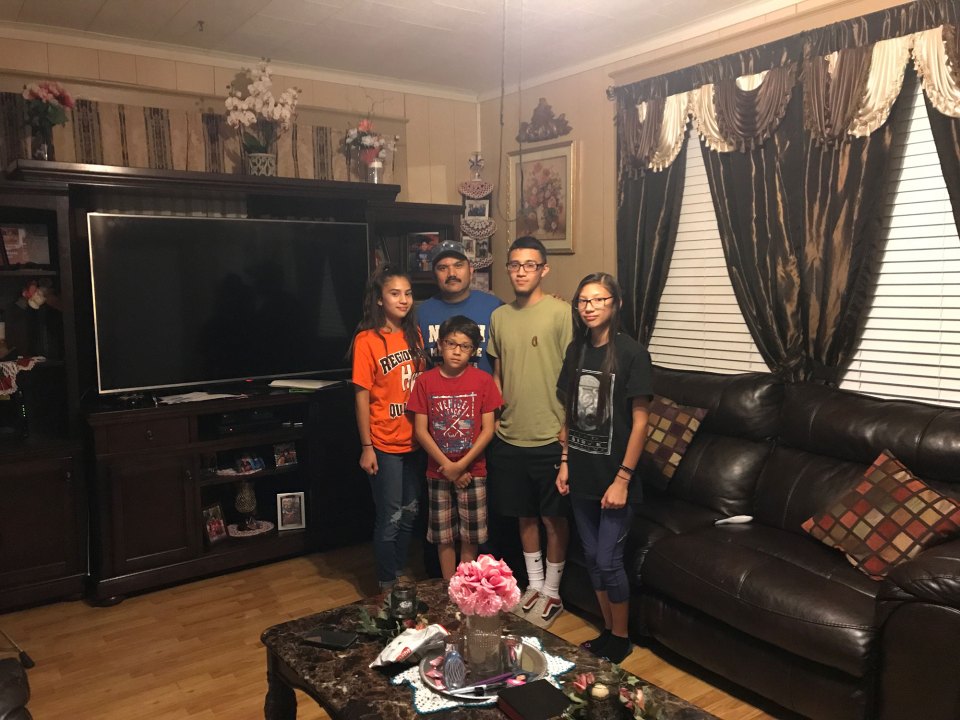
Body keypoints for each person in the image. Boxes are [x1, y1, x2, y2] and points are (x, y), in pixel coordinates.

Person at [555, 272, 652, 663]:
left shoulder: (632, 353)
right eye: (583, 301)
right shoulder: (576, 350)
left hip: (615, 478)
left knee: (609, 560)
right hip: (581, 473)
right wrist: (564, 462)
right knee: (592, 557)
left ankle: (622, 637)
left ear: (616, 304)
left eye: (598, 300)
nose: (589, 307)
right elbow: (569, 411)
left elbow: (641, 422)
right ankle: (607, 630)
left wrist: (623, 479)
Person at [486, 235, 573, 628]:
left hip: (550, 435)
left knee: (554, 518)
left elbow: (573, 376)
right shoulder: (499, 317)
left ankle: (553, 591)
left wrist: (568, 431)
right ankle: (534, 585)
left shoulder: (562, 314)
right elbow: (499, 373)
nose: (521, 271)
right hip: (509, 435)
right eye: (515, 264)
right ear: (508, 268)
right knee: (523, 516)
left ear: (543, 269)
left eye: (530, 264)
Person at [407, 315, 503, 579]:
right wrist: (448, 466)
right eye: (451, 343)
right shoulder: (425, 382)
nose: (457, 351)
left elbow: (488, 429)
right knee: (444, 535)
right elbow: (420, 430)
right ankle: (450, 585)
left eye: (464, 346)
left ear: (473, 351)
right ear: (440, 344)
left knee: (471, 534)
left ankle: (465, 583)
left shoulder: (482, 381)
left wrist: (461, 466)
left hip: (474, 470)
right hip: (438, 472)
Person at [351, 263, 425, 591]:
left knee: (410, 512)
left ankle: (396, 570)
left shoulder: (415, 334)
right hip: (383, 442)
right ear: (379, 299)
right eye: (395, 293)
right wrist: (367, 446)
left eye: (408, 293)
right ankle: (386, 582)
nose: (403, 299)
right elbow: (361, 396)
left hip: (416, 440)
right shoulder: (367, 340)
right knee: (390, 517)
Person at [418, 240, 503, 375]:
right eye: (442, 268)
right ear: (434, 275)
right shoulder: (421, 313)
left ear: (470, 270)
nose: (451, 273)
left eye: (458, 265)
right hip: (436, 393)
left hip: (483, 394)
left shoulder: (495, 308)